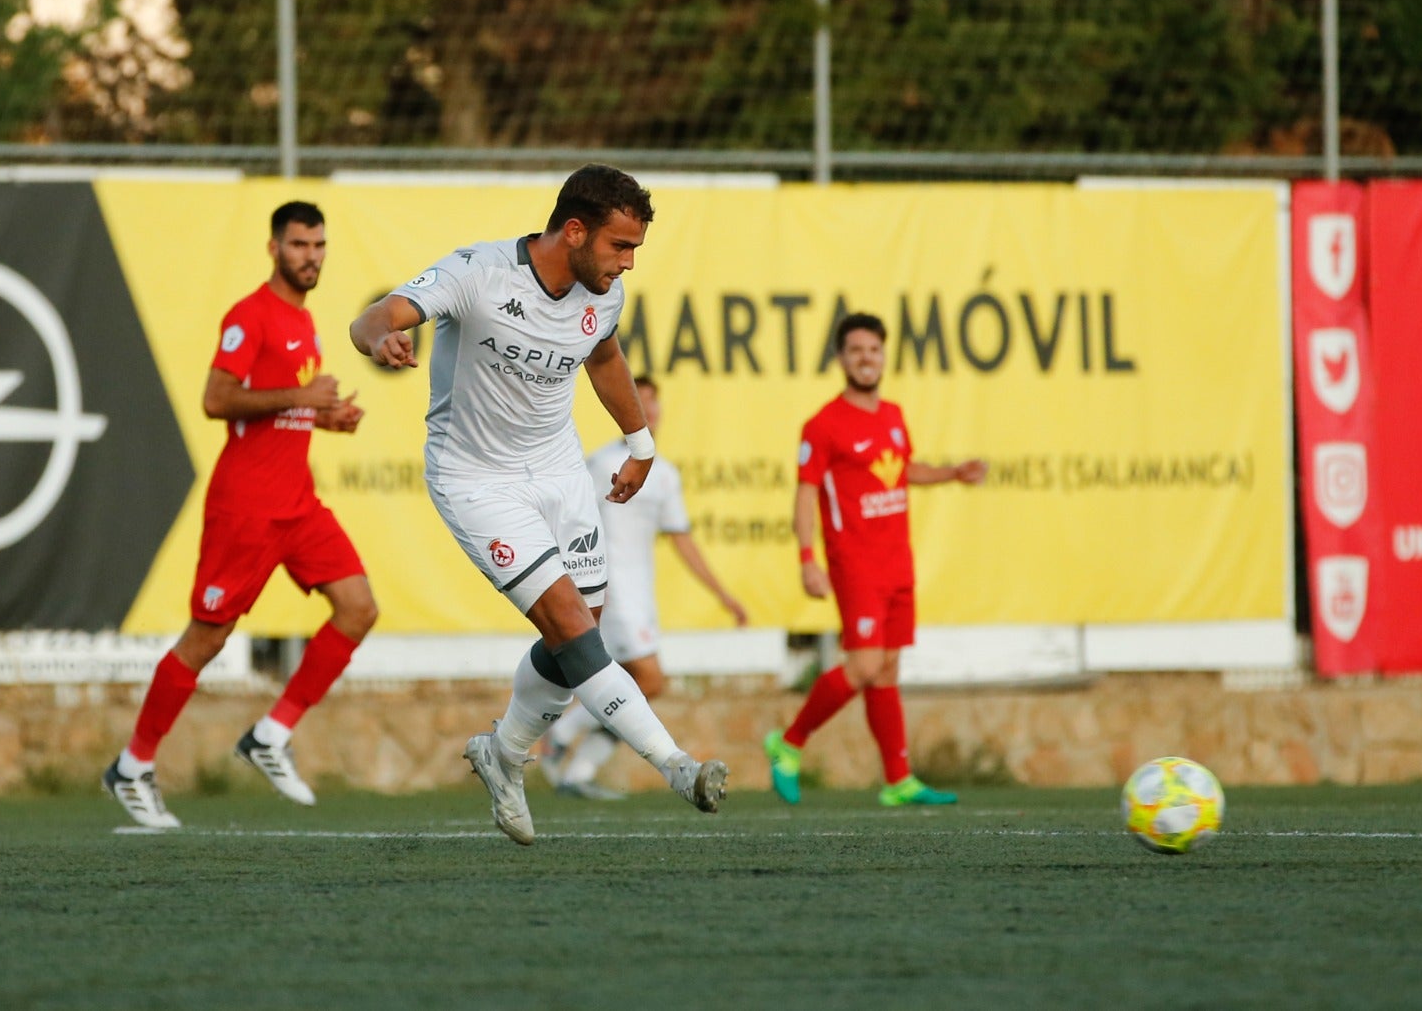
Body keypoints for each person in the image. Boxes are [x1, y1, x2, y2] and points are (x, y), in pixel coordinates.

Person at [349, 164, 728, 845]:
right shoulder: (478, 272)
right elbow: (375, 316)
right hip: (476, 478)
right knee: (574, 628)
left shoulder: (601, 293)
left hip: (559, 473)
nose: (627, 264)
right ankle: (676, 765)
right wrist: (381, 337)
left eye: (635, 250)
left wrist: (639, 444)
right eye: (620, 247)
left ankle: (503, 753)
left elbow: (605, 357)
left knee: (581, 629)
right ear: (574, 231)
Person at [103, 201, 377, 829]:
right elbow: (216, 399)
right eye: (299, 244)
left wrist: (324, 417)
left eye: (319, 245)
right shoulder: (250, 316)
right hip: (246, 508)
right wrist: (302, 397)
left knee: (359, 608)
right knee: (208, 637)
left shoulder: (305, 324)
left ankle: (270, 736)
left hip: (297, 505)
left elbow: (282, 411)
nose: (311, 256)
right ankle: (132, 765)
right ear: (274, 247)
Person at [764, 312, 987, 807]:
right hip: (855, 562)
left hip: (896, 562)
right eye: (857, 350)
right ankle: (789, 743)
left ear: (883, 357)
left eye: (874, 350)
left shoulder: (892, 416)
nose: (867, 358)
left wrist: (953, 473)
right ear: (842, 358)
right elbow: (805, 495)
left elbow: (901, 472)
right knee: (863, 665)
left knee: (886, 669)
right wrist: (807, 557)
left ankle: (898, 779)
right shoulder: (823, 426)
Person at [538, 375, 748, 799]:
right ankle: (562, 734)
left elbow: (682, 539)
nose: (648, 411)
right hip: (610, 592)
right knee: (650, 681)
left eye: (653, 403)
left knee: (633, 687)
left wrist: (723, 595)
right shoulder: (600, 465)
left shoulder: (665, 475)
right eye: (639, 402)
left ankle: (578, 772)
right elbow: (569, 517)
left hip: (641, 595)